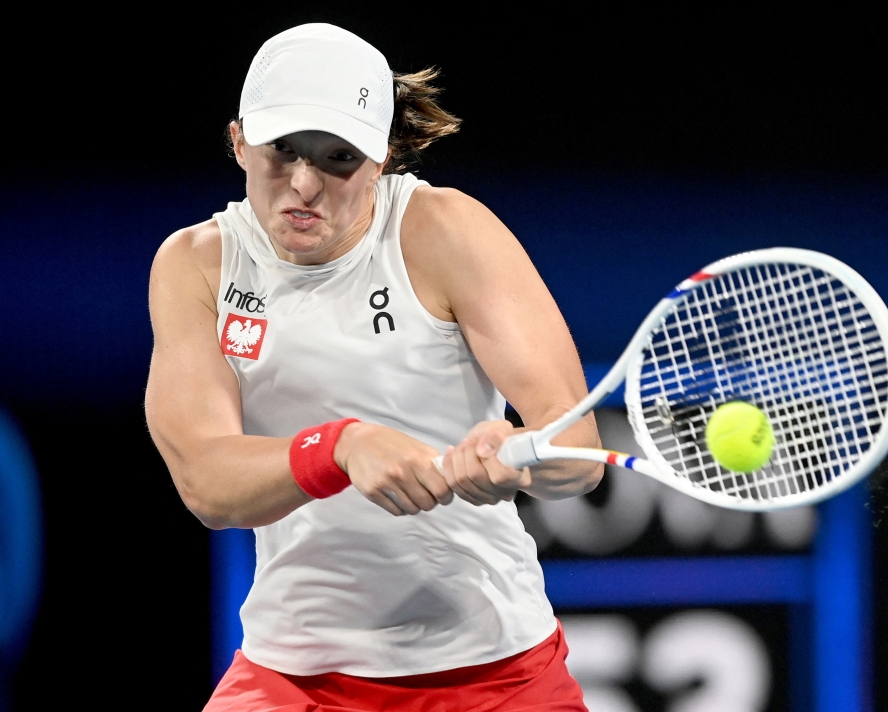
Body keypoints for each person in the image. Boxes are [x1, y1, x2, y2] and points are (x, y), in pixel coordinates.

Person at [145, 23, 601, 711]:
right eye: (282, 151)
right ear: (238, 140)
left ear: (382, 157)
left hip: (493, 673)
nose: (303, 184)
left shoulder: (446, 231)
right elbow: (206, 481)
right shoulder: (195, 265)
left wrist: (517, 456)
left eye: (338, 159)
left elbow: (580, 455)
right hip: (293, 675)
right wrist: (340, 447)